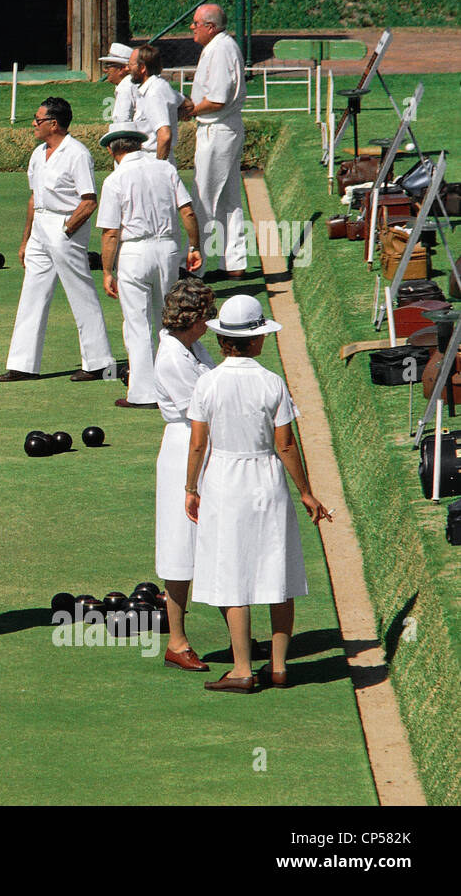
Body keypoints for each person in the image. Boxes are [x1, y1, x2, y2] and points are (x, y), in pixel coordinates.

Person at [184, 296, 332, 692]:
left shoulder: (208, 383)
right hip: (267, 479)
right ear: (256, 339)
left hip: (223, 482)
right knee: (276, 569)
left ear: (223, 340)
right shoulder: (272, 382)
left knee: (233, 572)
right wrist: (306, 492)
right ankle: (279, 667)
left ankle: (243, 669)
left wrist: (190, 488)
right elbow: (285, 445)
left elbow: (198, 444)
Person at [0, 97, 115, 383]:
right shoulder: (38, 154)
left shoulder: (77, 154)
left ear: (54, 123)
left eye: (38, 120)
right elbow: (34, 198)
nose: (34, 125)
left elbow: (89, 201)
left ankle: (98, 362)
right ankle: (23, 364)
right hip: (40, 226)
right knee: (32, 292)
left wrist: (66, 230)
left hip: (65, 226)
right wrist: (26, 240)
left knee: (80, 292)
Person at [97, 125, 203, 408]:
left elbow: (110, 233)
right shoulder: (165, 168)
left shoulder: (114, 180)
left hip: (134, 252)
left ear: (112, 150)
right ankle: (177, 386)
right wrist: (194, 247)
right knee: (167, 319)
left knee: (138, 323)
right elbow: (188, 211)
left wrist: (108, 271)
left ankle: (143, 393)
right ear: (139, 144)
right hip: (168, 249)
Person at [152, 279, 217, 671]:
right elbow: (201, 413)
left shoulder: (193, 347)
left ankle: (237, 636)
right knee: (179, 545)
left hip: (204, 446)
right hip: (184, 451)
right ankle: (177, 641)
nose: (209, 323)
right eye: (206, 316)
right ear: (192, 319)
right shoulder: (172, 358)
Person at [181, 3, 248, 278]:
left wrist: (190, 110)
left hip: (217, 130)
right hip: (224, 129)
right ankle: (234, 263)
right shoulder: (221, 46)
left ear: (210, 27)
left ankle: (196, 267)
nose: (192, 28)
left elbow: (217, 99)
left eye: (196, 23)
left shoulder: (221, 49)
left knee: (204, 197)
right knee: (229, 198)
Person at [127, 44, 184, 162]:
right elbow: (187, 103)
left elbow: (165, 135)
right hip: (156, 156)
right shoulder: (160, 85)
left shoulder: (154, 93)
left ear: (142, 67)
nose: (128, 69)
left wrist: (158, 167)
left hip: (153, 158)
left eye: (131, 65)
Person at [100, 42, 137, 125]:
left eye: (108, 66)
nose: (105, 70)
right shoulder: (131, 83)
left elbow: (122, 124)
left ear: (122, 69)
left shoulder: (125, 87)